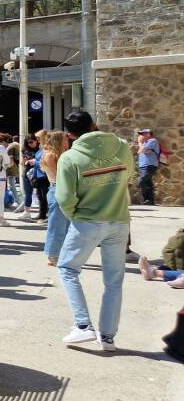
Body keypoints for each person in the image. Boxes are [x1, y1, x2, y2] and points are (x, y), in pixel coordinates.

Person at [55, 110, 133, 352]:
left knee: (67, 268)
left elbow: (64, 198)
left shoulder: (70, 158)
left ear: (69, 134)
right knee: (114, 281)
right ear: (94, 125)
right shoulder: (121, 147)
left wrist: (76, 217)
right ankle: (108, 337)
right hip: (119, 219)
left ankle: (83, 326)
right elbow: (128, 175)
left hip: (87, 221)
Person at [41, 131, 71, 267]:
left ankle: (61, 253)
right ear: (59, 140)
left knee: (67, 225)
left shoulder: (62, 154)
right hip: (57, 188)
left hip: (65, 190)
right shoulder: (50, 155)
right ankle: (52, 254)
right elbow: (61, 174)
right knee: (57, 224)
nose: (68, 141)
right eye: (65, 139)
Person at [28, 131, 50, 221]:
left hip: (44, 176)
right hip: (39, 175)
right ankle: (42, 214)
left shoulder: (47, 148)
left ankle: (47, 215)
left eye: (38, 138)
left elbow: (47, 162)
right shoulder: (41, 148)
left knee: (45, 197)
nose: (37, 140)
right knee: (40, 196)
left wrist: (35, 162)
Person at [136, 128, 160, 205]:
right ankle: (149, 200)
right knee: (148, 183)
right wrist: (144, 149)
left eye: (143, 134)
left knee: (142, 182)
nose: (141, 135)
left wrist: (140, 142)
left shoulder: (152, 141)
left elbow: (142, 151)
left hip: (149, 165)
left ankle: (147, 199)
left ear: (148, 134)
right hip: (143, 165)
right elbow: (139, 152)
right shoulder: (145, 143)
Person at [18, 135, 39, 215]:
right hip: (27, 172)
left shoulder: (40, 149)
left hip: (39, 172)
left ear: (36, 140)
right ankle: (26, 211)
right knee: (28, 192)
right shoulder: (25, 149)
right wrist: (23, 162)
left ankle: (42, 212)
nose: (29, 144)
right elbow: (22, 161)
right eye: (27, 143)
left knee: (40, 193)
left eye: (31, 142)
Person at [6, 136, 22, 211]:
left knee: (11, 185)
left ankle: (16, 200)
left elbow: (11, 158)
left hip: (11, 168)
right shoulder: (19, 145)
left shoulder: (11, 146)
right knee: (12, 185)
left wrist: (7, 166)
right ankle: (16, 200)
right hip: (16, 167)